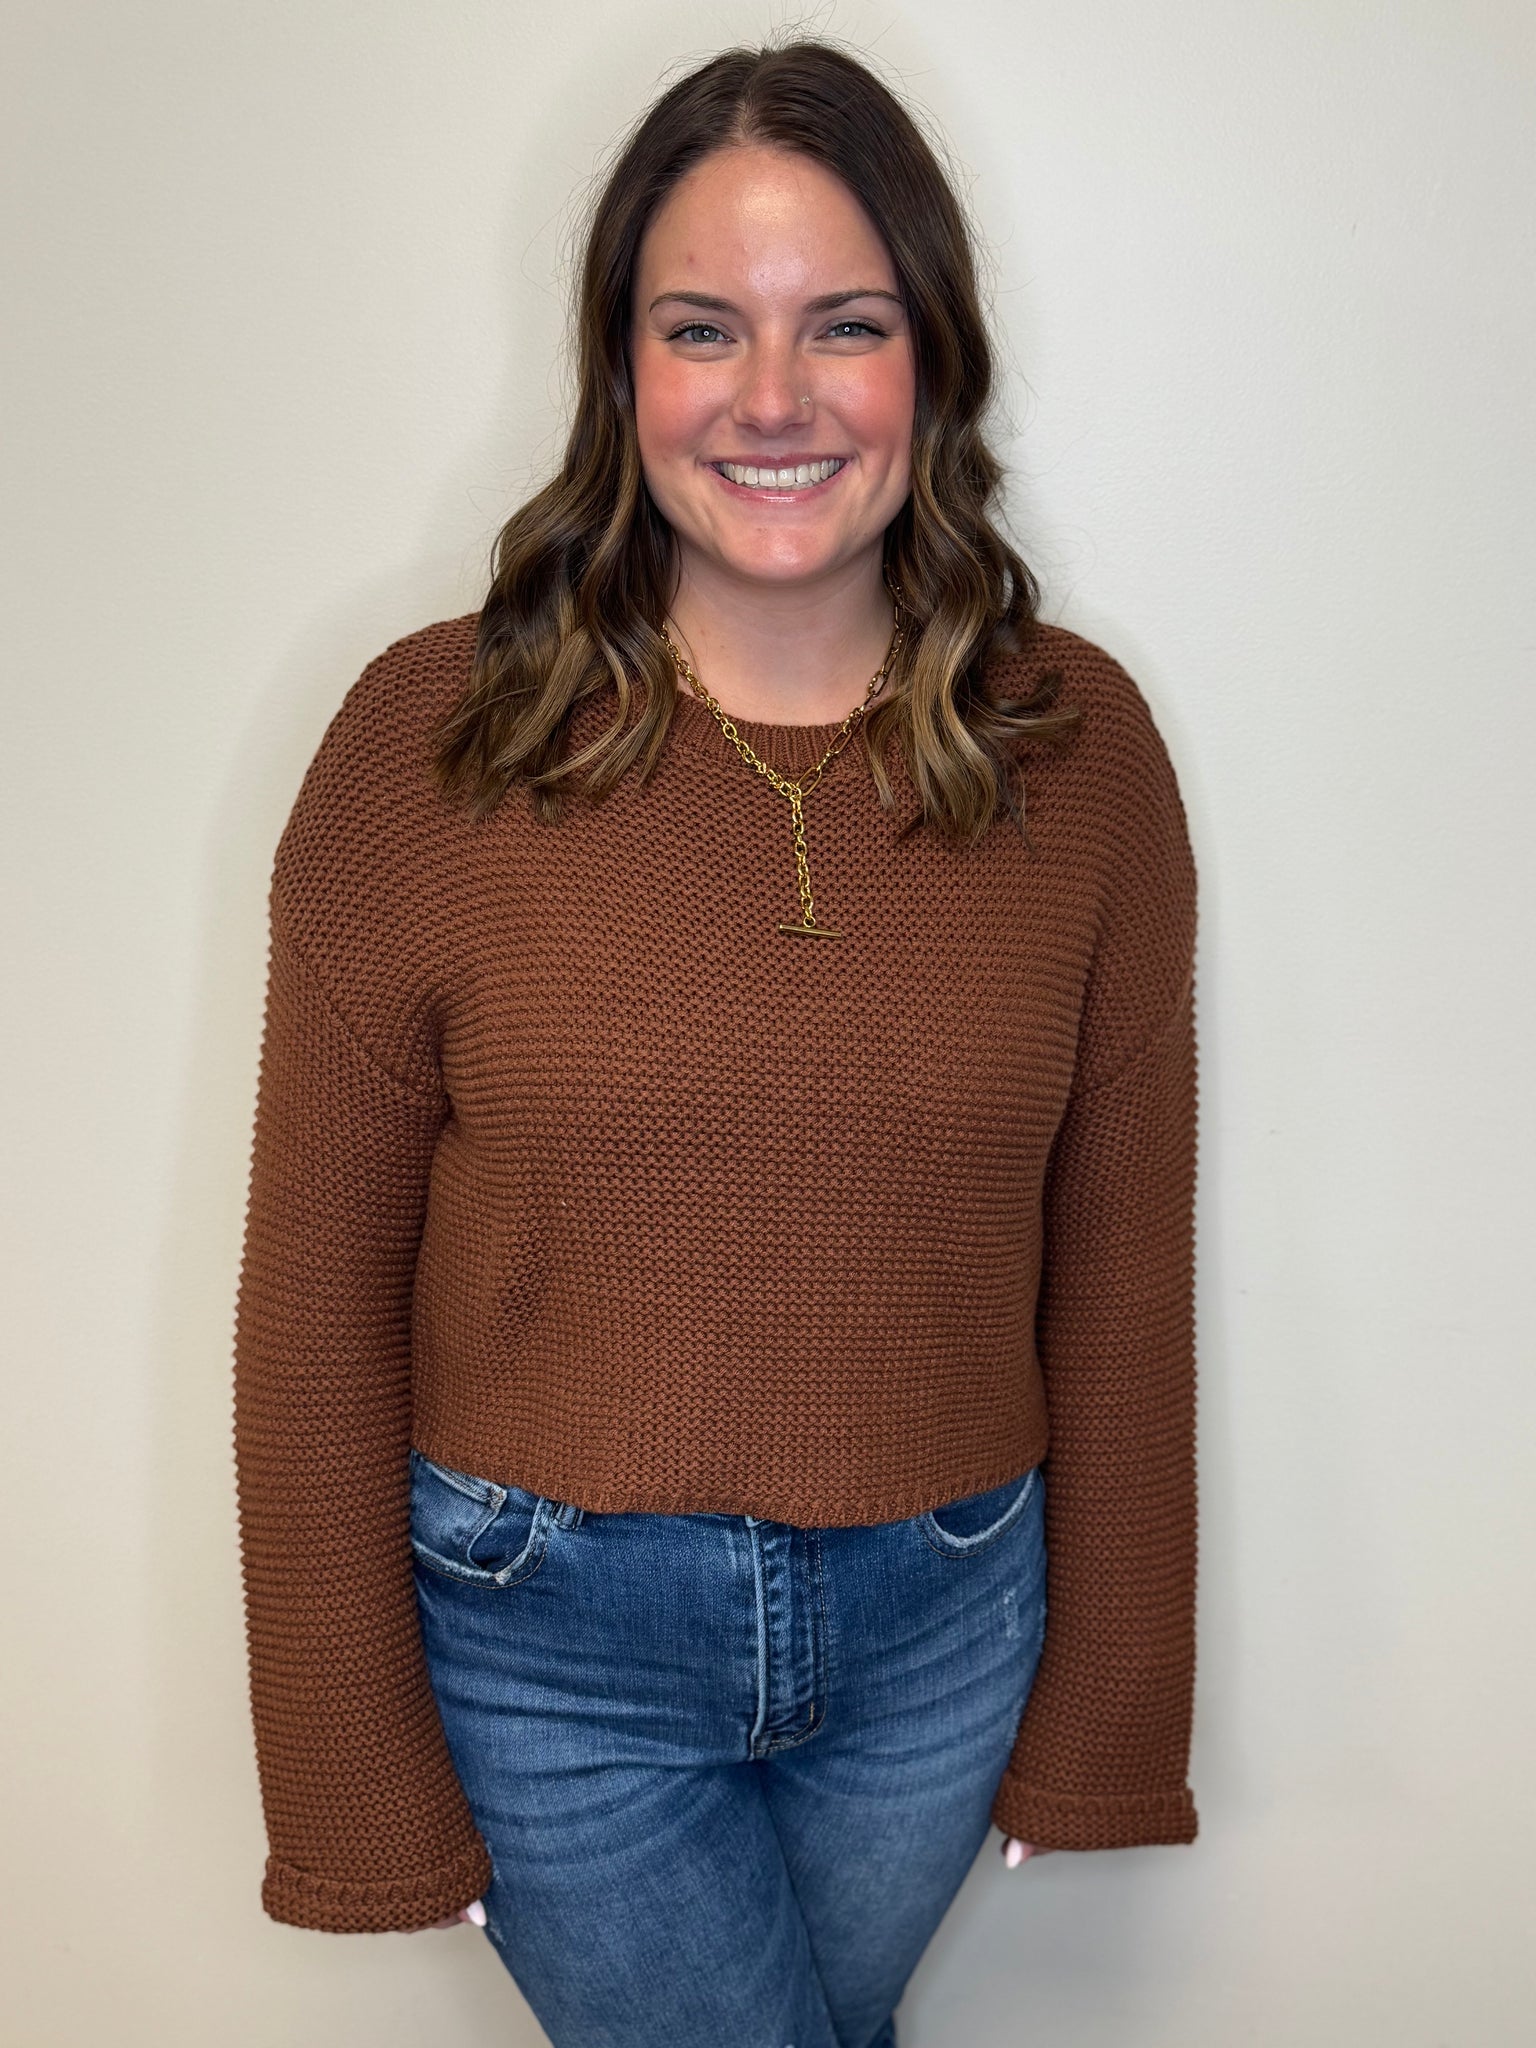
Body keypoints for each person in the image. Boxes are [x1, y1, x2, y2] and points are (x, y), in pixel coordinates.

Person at [232, 35, 1201, 2048]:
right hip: (542, 1648)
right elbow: (314, 1301)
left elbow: (1120, 1272)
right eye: (703, 329)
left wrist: (1110, 1711)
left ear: (931, 359)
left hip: (950, 1630)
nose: (774, 398)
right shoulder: (427, 746)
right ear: (622, 371)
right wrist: (347, 1771)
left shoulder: (1083, 756)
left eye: (844, 324)